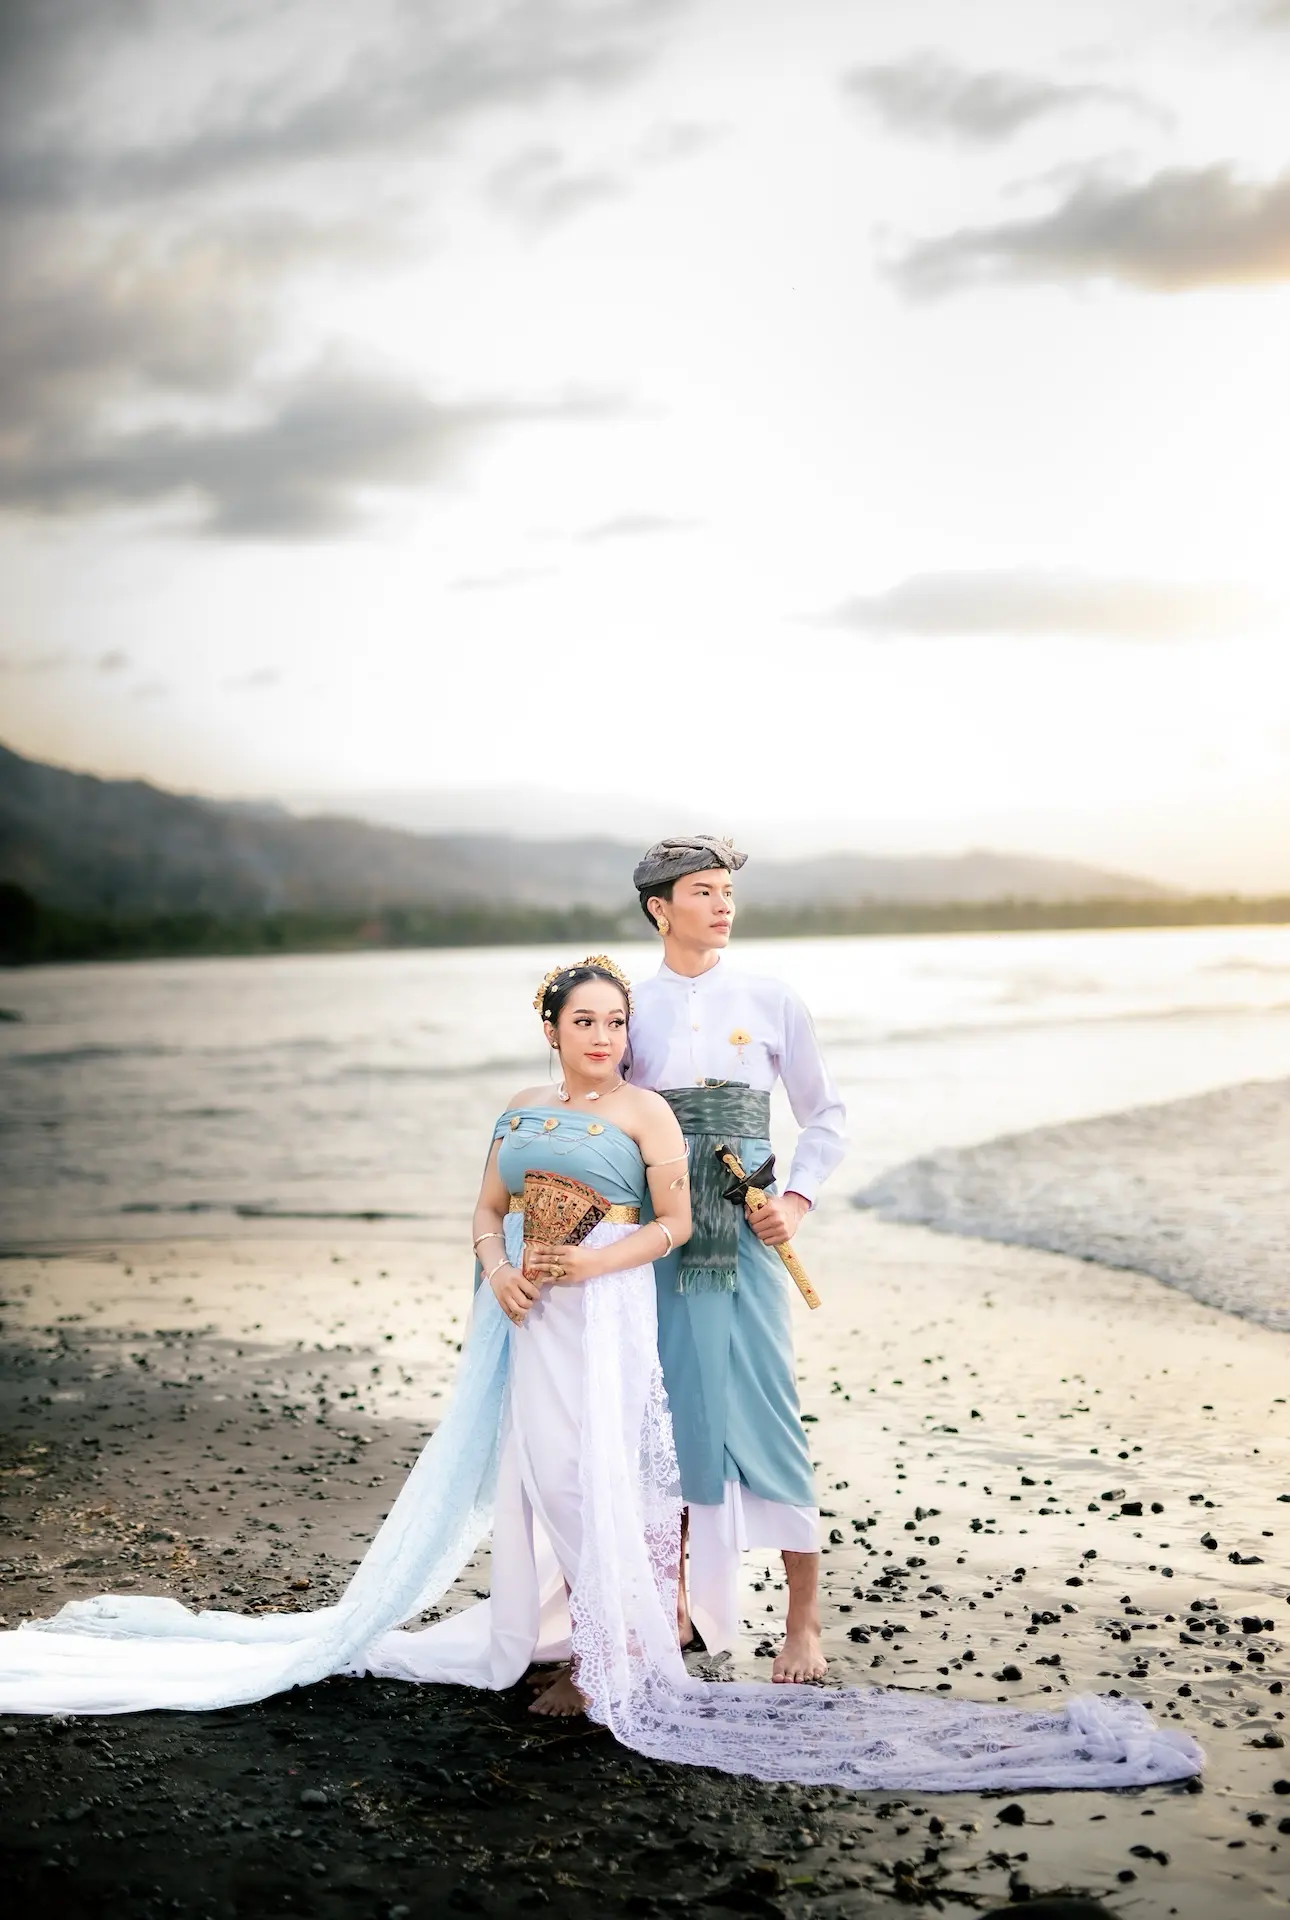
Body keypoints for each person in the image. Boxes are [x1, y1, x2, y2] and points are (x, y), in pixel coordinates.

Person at [0, 957, 1203, 1797]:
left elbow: (673, 1227)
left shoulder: (647, 1117)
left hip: (609, 1311)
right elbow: (484, 1209)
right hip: (528, 1314)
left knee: (598, 1474)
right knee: (538, 1475)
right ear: (552, 1029)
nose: (605, 1038)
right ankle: (559, 1628)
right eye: (586, 1022)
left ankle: (607, 1661)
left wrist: (584, 1264)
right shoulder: (520, 1109)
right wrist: (503, 1269)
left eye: (617, 1023)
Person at [628, 835, 845, 1679]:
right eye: (703, 891)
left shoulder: (771, 998)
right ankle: (672, 1601)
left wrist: (796, 1201)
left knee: (767, 1403)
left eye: (727, 891)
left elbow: (826, 1116)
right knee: (667, 1408)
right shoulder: (629, 1008)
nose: (722, 905)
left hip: (750, 1235)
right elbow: (603, 1122)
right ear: (660, 908)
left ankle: (803, 1621)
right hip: (663, 1236)